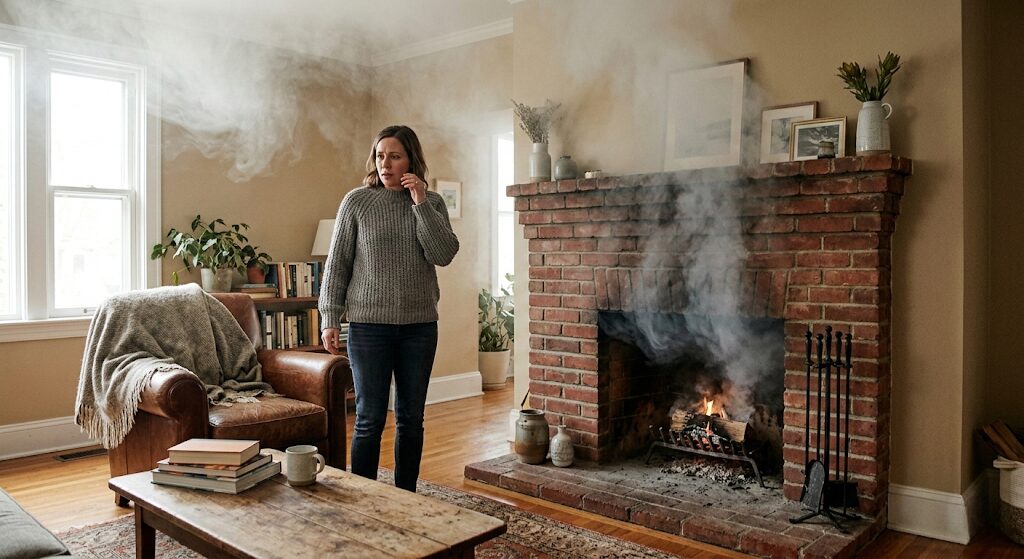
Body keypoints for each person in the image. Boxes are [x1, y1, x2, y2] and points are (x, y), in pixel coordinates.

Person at [319, 125, 459, 492]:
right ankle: (364, 498)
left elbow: (443, 254)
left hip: (419, 327)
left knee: (411, 419)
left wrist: (420, 203)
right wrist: (329, 318)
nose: (386, 164)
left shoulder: (432, 203)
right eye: (380, 156)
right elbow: (337, 265)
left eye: (395, 156)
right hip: (368, 329)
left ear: (411, 159)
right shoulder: (357, 202)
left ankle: (405, 497)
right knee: (369, 418)